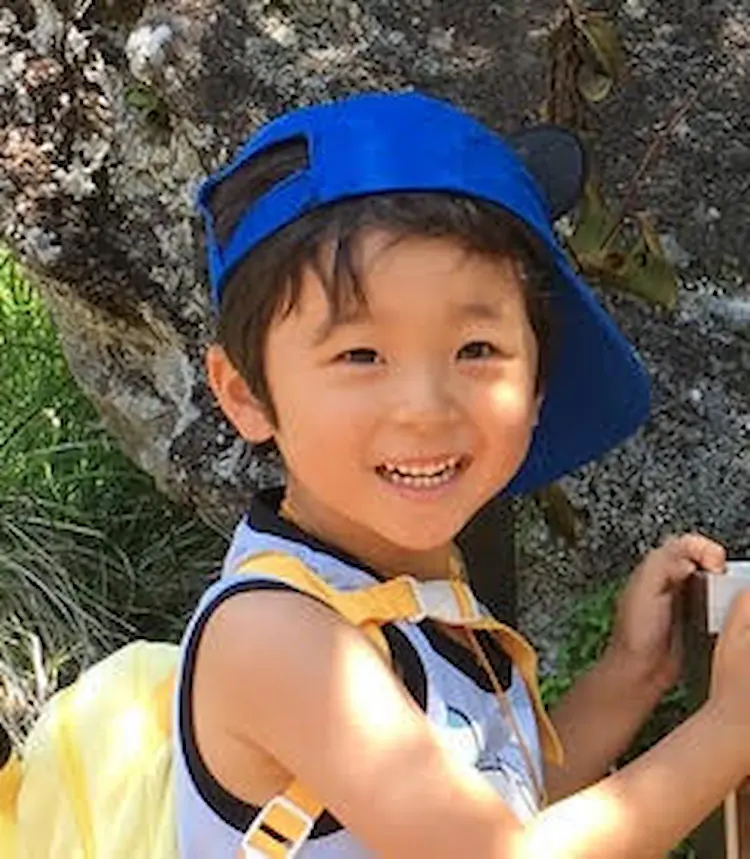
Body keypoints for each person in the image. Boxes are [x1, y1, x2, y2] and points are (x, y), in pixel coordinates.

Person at [178, 90, 750, 859]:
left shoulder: (414, 594)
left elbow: (503, 815)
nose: (425, 408)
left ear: (539, 378)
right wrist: (733, 728)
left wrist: (628, 674)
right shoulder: (276, 634)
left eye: (476, 349)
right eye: (360, 355)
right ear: (246, 393)